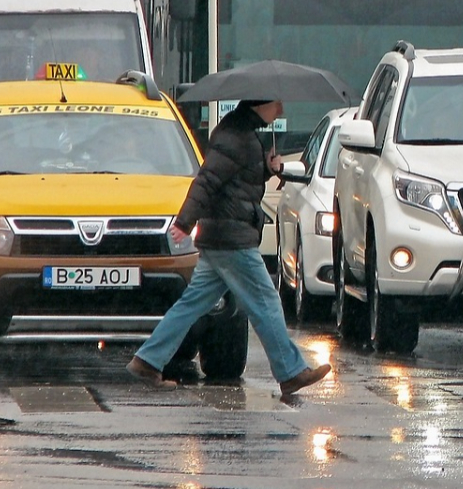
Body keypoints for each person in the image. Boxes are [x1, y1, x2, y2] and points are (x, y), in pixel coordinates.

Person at [126, 99, 331, 395]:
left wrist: (268, 169)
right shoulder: (236, 137)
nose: (282, 111)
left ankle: (147, 360)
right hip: (231, 238)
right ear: (261, 104)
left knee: (192, 304)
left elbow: (235, 181)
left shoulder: (241, 134)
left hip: (222, 235)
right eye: (278, 105)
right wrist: (184, 222)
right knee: (266, 302)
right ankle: (290, 372)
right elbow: (207, 181)